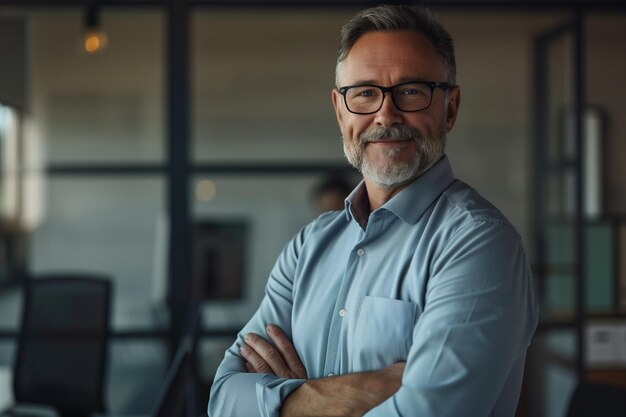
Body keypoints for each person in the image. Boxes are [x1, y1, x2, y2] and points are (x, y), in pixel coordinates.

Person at [208, 5, 538, 417]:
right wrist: (323, 396)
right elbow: (223, 399)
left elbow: (431, 413)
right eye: (364, 92)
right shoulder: (309, 247)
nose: (385, 114)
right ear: (339, 109)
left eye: (411, 91)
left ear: (450, 108)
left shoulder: (480, 243)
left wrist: (280, 400)